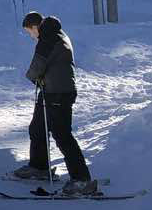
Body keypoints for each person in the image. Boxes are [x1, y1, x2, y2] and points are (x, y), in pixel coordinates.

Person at [12, 12, 95, 195]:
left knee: (62, 135)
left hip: (59, 93)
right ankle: (39, 167)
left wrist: (31, 77)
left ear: (35, 27)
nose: (31, 36)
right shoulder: (54, 33)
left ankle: (82, 180)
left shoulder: (48, 37)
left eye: (30, 32)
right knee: (37, 128)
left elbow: (38, 65)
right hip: (50, 90)